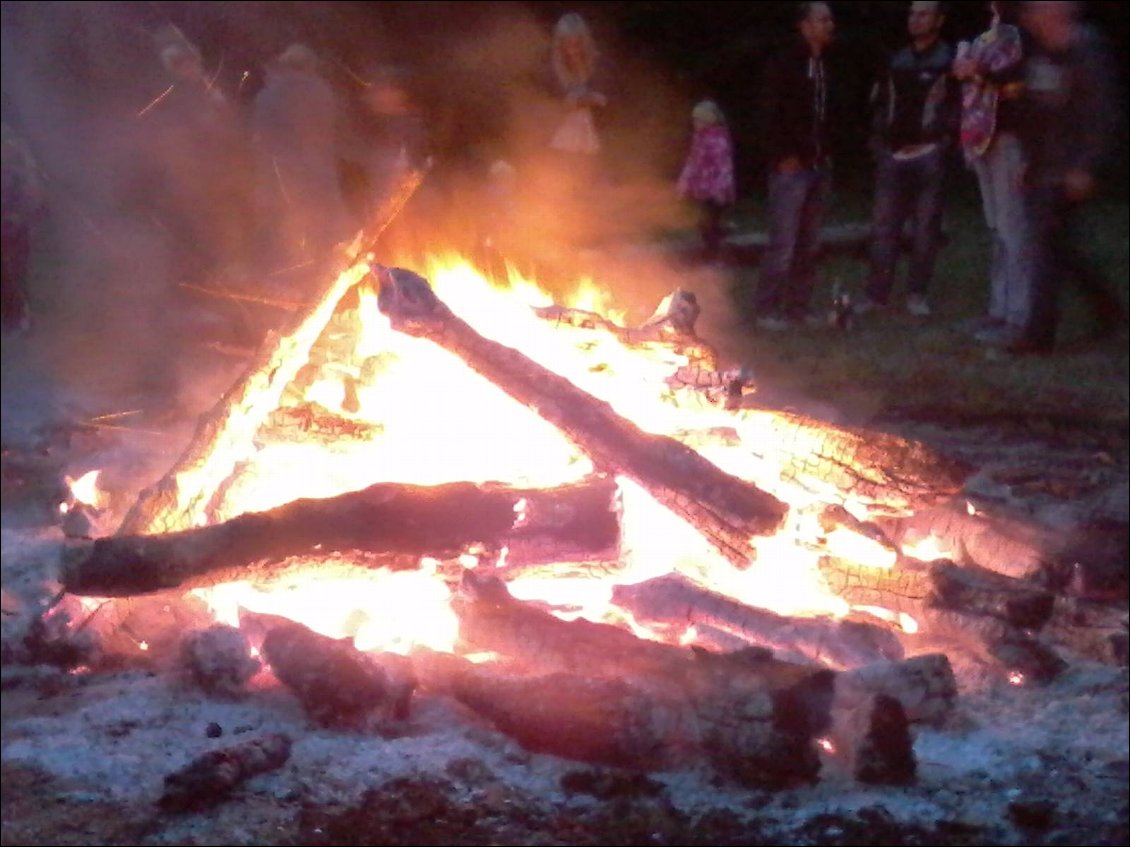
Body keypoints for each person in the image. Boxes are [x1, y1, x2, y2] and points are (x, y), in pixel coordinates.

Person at [1000, 0, 1126, 354]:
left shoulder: (1087, 50)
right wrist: (1027, 161)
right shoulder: (1041, 54)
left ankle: (1037, 336)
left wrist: (1086, 166)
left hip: (1069, 168)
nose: (1031, 17)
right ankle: (1109, 309)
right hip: (1043, 167)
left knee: (1044, 249)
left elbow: (1101, 115)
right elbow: (1034, 112)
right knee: (1059, 251)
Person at [858, 0, 960, 319]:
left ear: (939, 20)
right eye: (913, 14)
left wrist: (945, 141)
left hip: (930, 155)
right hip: (893, 156)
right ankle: (877, 295)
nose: (916, 20)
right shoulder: (896, 60)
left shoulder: (951, 61)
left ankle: (916, 294)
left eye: (924, 14)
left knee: (925, 229)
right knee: (884, 227)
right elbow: (878, 103)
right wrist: (878, 143)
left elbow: (961, 107)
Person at [140, 27, 252, 287]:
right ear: (177, 67)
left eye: (193, 62)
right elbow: (177, 133)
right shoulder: (178, 94)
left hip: (215, 170)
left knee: (221, 220)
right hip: (194, 172)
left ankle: (225, 272)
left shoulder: (205, 89)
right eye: (186, 64)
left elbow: (228, 126)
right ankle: (205, 277)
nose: (193, 67)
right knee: (201, 223)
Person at [753, 1, 838, 331]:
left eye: (830, 19)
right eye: (823, 19)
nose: (830, 25)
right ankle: (767, 309)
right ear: (805, 25)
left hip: (818, 165)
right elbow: (771, 113)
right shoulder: (786, 64)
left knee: (809, 243)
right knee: (784, 243)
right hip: (791, 167)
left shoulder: (825, 65)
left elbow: (830, 115)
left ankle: (798, 308)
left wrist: (828, 151)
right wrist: (783, 155)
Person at [951, 1, 1032, 345]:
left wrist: (975, 70)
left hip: (1010, 136)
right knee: (997, 226)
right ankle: (998, 309)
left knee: (1014, 228)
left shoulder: (1023, 29)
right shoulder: (991, 30)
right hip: (982, 135)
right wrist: (964, 67)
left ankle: (1019, 315)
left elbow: (1015, 80)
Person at [250, 43, 351, 285]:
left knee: (291, 226)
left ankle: (300, 282)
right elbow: (334, 128)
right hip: (323, 169)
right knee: (327, 227)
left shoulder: (269, 96)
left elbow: (261, 137)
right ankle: (333, 277)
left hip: (286, 173)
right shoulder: (323, 91)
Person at [545, 12, 608, 197]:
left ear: (584, 41)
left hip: (591, 134)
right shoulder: (551, 67)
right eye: (567, 43)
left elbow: (607, 96)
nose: (572, 49)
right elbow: (550, 101)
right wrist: (571, 102)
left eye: (577, 42)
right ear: (559, 43)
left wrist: (593, 98)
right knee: (563, 184)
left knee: (590, 185)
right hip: (561, 136)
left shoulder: (597, 63)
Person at [676, 99, 737, 262]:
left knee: (707, 223)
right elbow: (692, 162)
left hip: (716, 192)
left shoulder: (718, 140)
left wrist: (720, 190)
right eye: (694, 120)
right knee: (704, 223)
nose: (695, 123)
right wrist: (683, 183)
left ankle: (714, 256)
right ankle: (719, 238)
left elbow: (724, 167)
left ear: (709, 120)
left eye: (698, 120)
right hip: (702, 190)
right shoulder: (699, 138)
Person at [1, 121, 45, 334]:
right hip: (13, 221)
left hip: (14, 223)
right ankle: (15, 316)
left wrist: (24, 212)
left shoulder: (15, 145)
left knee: (15, 271)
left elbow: (31, 184)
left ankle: (16, 316)